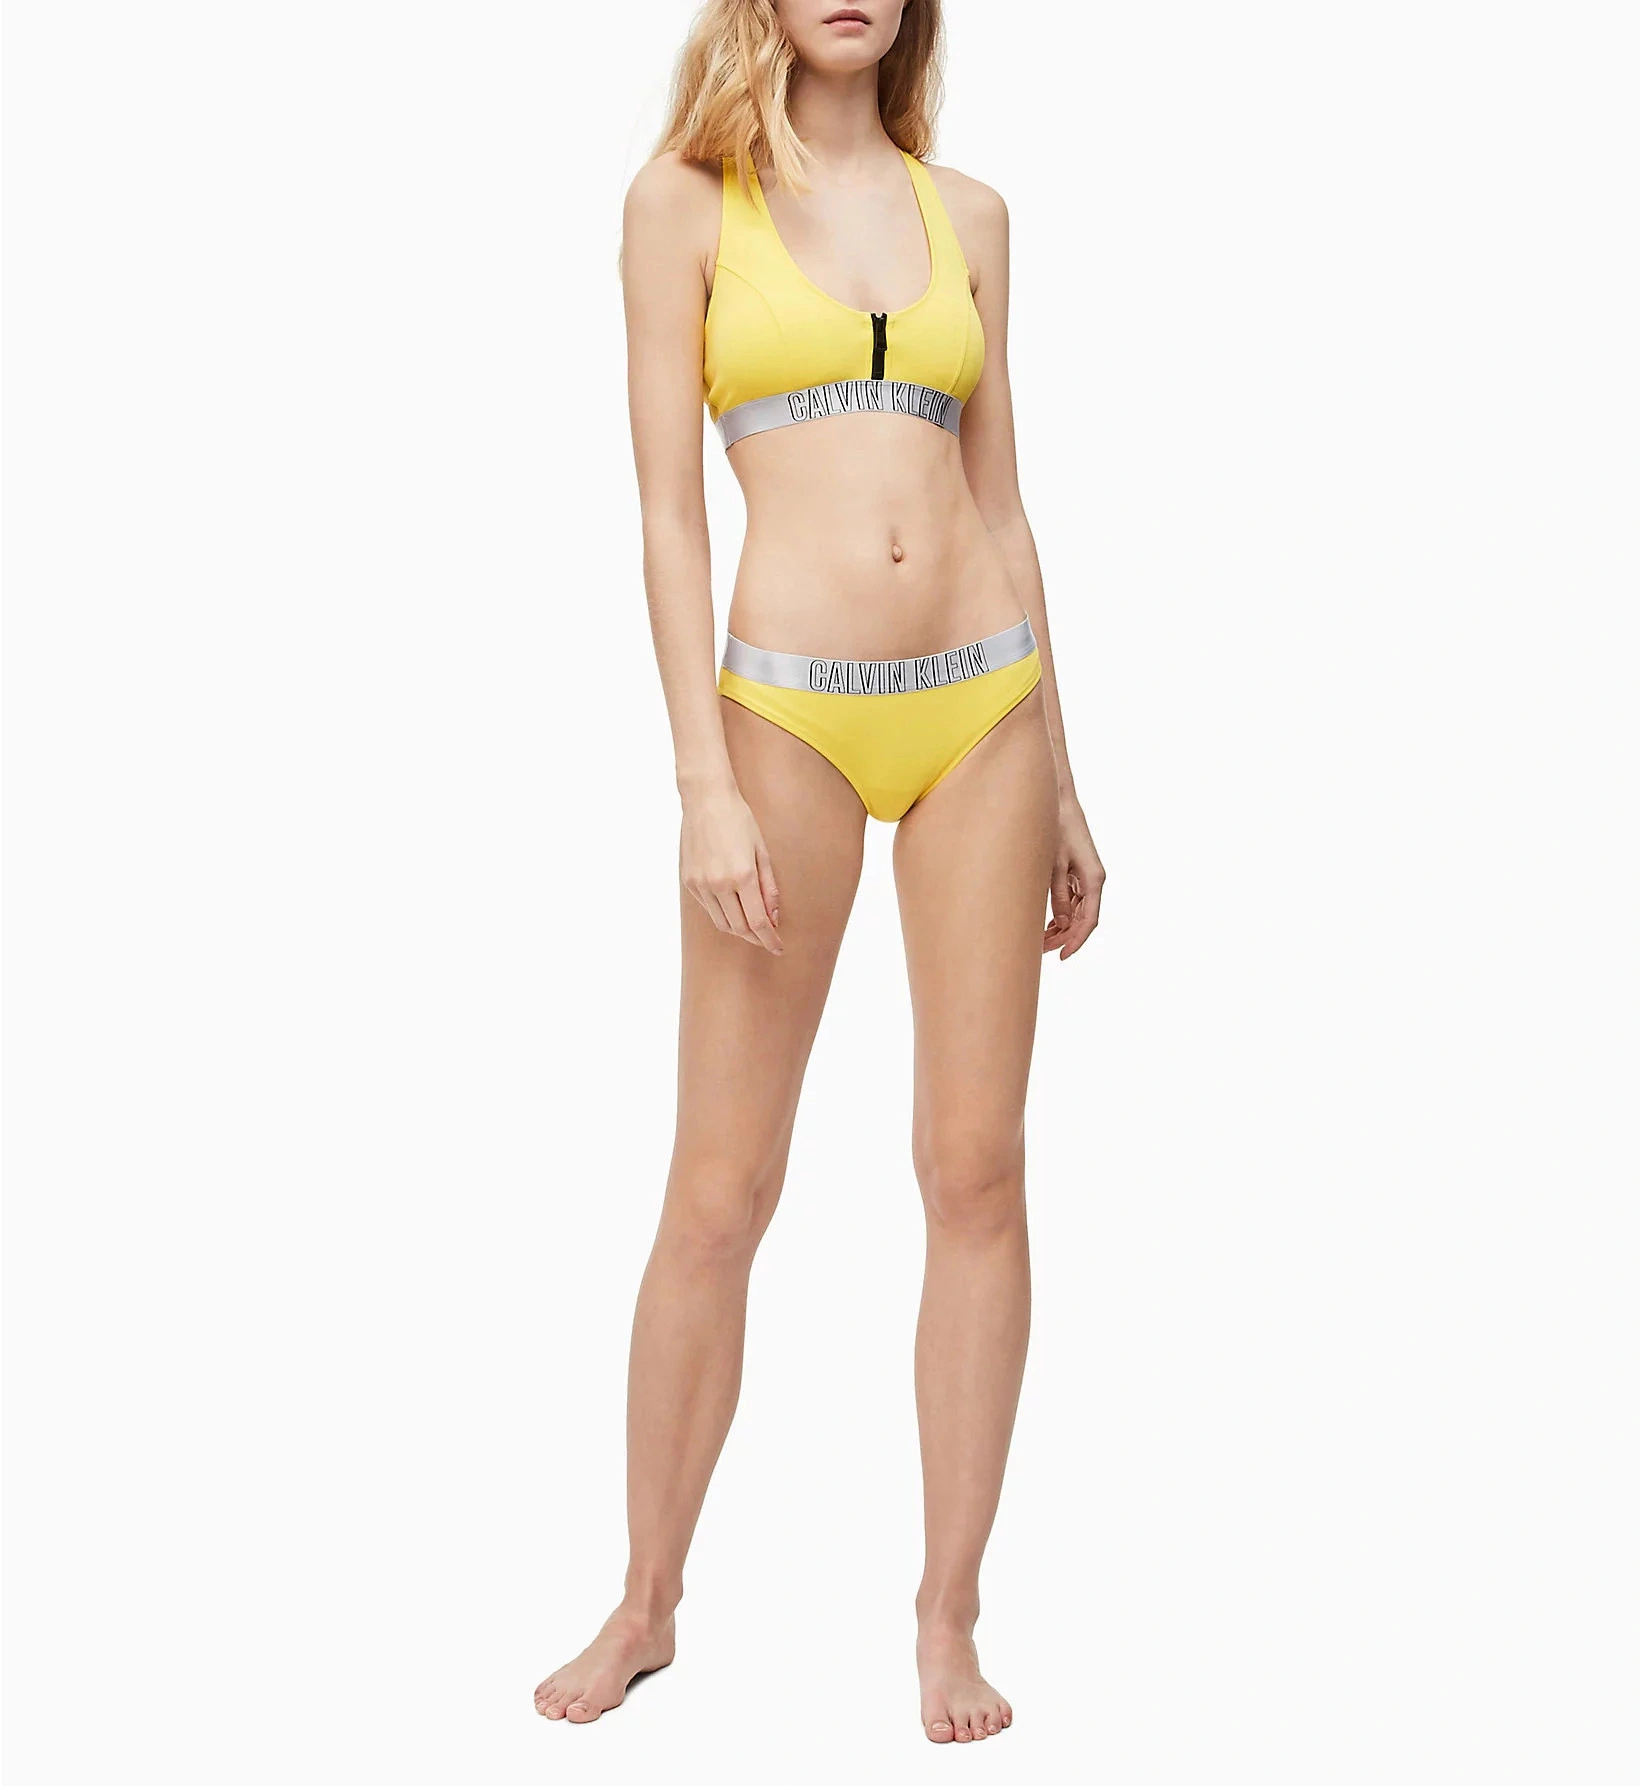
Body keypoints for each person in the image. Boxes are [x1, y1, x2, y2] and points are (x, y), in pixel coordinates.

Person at [535, 0, 1104, 1744]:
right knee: (721, 1187)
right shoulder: (680, 205)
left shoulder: (971, 214)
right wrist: (699, 779)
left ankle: (948, 1617)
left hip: (984, 707)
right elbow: (665, 511)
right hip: (783, 713)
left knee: (976, 1168)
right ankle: (647, 1598)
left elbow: (1003, 505)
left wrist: (1066, 776)